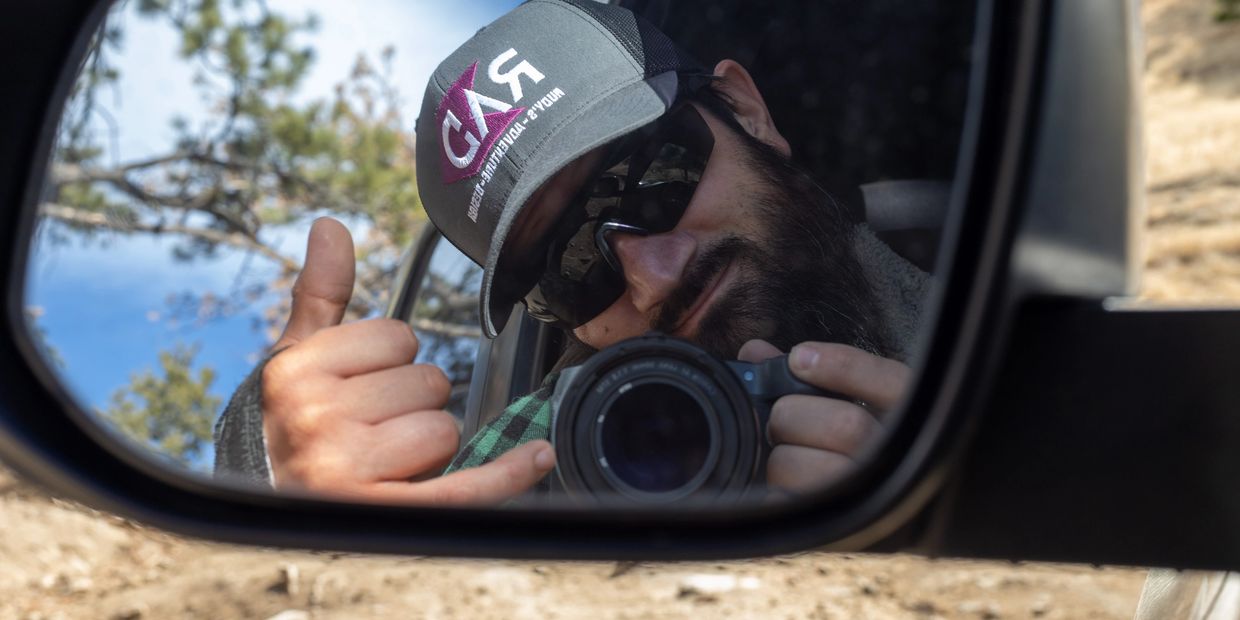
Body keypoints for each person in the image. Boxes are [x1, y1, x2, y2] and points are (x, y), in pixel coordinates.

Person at [213, 0, 930, 505]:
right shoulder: (538, 457)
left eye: (653, 180)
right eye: (572, 270)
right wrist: (281, 503)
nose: (650, 279)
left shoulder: (992, 312)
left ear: (747, 112)